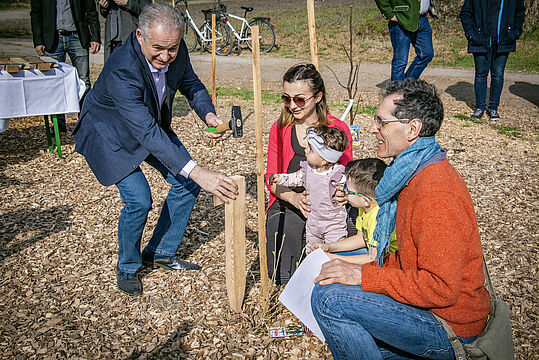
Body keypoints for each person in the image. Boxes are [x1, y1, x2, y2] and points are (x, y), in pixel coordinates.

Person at [311, 79, 490, 359]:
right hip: (429, 309)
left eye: (381, 122)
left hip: (450, 325)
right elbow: (407, 261)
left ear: (413, 129)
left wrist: (363, 275)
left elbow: (441, 289)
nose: (372, 129)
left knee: (329, 300)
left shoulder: (436, 192)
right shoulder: (409, 174)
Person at [73, 3, 238, 297]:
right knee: (139, 200)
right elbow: (146, 132)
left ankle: (160, 251)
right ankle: (128, 266)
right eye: (158, 48)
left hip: (145, 124)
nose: (166, 57)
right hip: (109, 132)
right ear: (139, 36)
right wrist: (200, 172)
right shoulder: (122, 68)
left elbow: (192, 84)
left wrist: (209, 116)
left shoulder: (175, 48)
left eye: (172, 49)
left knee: (185, 182)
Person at [265, 63, 353, 285]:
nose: (293, 105)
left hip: (329, 205)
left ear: (318, 97)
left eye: (300, 99)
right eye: (287, 98)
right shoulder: (280, 128)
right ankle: (293, 287)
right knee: (286, 233)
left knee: (349, 233)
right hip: (289, 197)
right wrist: (294, 198)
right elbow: (271, 178)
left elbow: (348, 175)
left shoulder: (337, 129)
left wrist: (344, 194)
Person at [270, 125, 348, 255]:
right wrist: (280, 178)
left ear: (324, 160)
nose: (306, 150)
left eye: (311, 149)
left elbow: (348, 188)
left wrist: (346, 194)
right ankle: (313, 270)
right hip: (313, 221)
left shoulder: (337, 174)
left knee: (333, 252)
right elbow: (294, 178)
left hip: (333, 224)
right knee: (311, 251)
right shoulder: (308, 170)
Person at [30, 0, 101, 132]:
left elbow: (91, 11)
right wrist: (38, 40)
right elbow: (36, 14)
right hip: (52, 39)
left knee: (83, 81)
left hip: (77, 37)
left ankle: (84, 122)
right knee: (54, 84)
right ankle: (58, 124)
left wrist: (95, 36)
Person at [312, 158, 397, 265]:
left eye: (348, 190)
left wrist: (335, 258)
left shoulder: (378, 219)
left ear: (365, 200)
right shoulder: (365, 208)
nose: (344, 192)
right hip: (373, 255)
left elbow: (373, 258)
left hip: (389, 262)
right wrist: (329, 247)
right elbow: (361, 238)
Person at [460, 0, 525, 121]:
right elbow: (465, 13)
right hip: (480, 39)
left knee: (498, 74)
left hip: (504, 39)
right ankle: (480, 107)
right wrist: (471, 34)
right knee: (480, 74)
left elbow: (519, 12)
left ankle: (493, 108)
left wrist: (515, 32)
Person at [374, 0, 437, 81]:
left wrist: (427, 8)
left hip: (423, 19)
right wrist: (389, 14)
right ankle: (396, 91)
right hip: (402, 18)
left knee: (427, 54)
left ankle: (407, 84)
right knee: (400, 61)